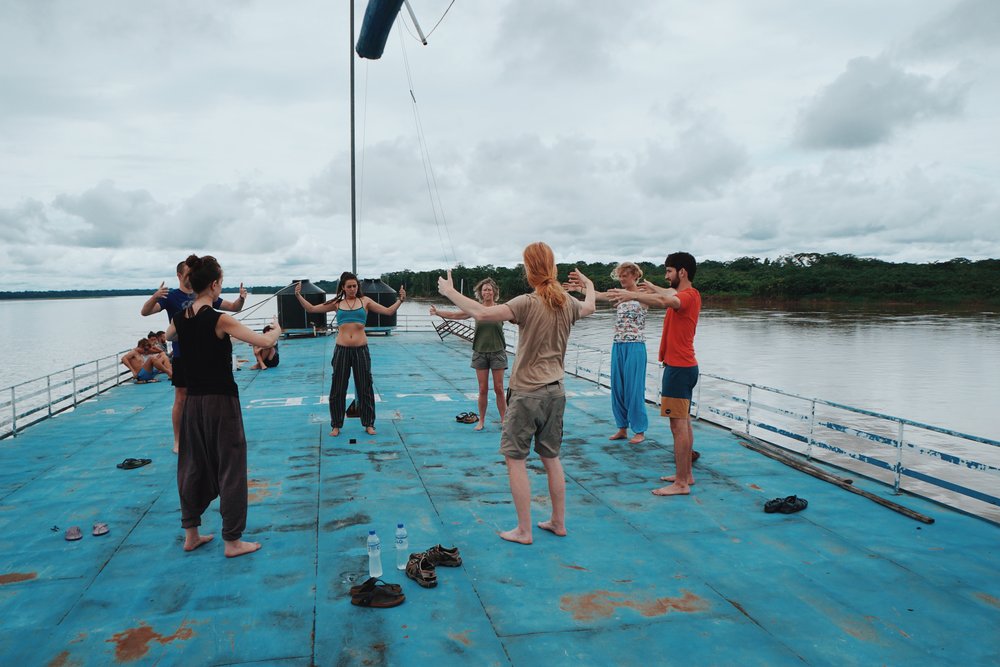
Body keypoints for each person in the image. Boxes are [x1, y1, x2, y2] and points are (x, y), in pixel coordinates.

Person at [437, 242, 596, 544]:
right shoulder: (567, 302)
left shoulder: (526, 302)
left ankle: (524, 530)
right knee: (551, 458)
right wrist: (588, 285)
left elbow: (483, 315)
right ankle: (558, 522)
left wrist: (448, 291)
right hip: (556, 391)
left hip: (527, 393)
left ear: (529, 269)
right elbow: (589, 306)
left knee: (516, 459)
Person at [164, 255, 281, 558]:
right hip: (221, 402)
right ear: (214, 284)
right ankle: (232, 540)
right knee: (230, 466)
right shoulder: (218, 318)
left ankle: (191, 534)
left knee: (191, 465)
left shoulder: (180, 317)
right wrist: (277, 331)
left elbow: (168, 337)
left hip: (192, 403)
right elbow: (262, 340)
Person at [609, 252, 700, 496]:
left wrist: (633, 294)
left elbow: (664, 301)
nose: (666, 276)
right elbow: (666, 294)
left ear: (682, 272)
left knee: (677, 425)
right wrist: (650, 288)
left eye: (669, 271)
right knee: (685, 422)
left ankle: (680, 482)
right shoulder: (686, 294)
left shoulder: (687, 297)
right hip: (681, 367)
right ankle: (687, 474)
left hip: (679, 369)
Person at [140, 256, 247, 453]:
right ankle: (179, 440)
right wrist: (155, 296)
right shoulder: (171, 297)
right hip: (182, 354)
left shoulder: (204, 294)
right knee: (181, 397)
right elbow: (145, 312)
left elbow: (233, 308)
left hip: (205, 354)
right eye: (189, 273)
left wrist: (241, 298)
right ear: (180, 275)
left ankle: (206, 436)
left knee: (207, 396)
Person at [295, 273, 406, 437]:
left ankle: (369, 423)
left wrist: (400, 300)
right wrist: (297, 295)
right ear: (343, 288)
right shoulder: (337, 303)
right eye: (349, 286)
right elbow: (311, 308)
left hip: (361, 350)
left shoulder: (365, 301)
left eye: (355, 286)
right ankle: (336, 425)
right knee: (338, 388)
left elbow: (388, 312)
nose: (353, 289)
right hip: (342, 350)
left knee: (365, 388)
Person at [567, 261, 649, 444]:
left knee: (633, 389)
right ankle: (622, 427)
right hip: (618, 345)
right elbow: (598, 296)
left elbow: (662, 299)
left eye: (625, 276)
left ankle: (639, 430)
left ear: (635, 276)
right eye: (620, 276)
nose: (621, 279)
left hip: (635, 346)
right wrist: (579, 288)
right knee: (618, 388)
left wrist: (633, 295)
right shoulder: (618, 294)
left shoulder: (644, 295)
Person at [430, 277, 508, 431]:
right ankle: (481, 421)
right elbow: (455, 315)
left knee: (499, 388)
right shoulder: (476, 309)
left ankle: (505, 420)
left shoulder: (501, 309)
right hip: (480, 353)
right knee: (482, 389)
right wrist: (437, 312)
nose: (487, 292)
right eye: (485, 289)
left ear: (494, 292)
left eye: (490, 289)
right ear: (481, 292)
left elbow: (518, 318)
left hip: (498, 352)